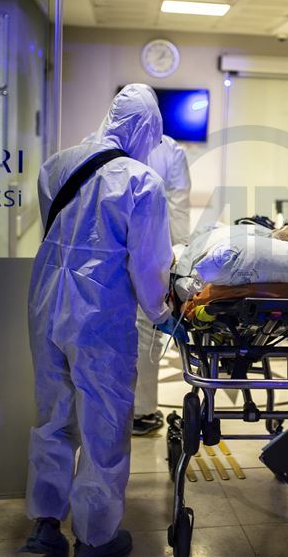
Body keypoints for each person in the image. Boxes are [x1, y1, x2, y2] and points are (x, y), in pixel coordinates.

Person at [20, 84, 182, 557]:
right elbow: (149, 266)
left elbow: (59, 230)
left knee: (53, 416)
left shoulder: (56, 165)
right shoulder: (141, 181)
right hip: (99, 313)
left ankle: (45, 528)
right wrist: (163, 314)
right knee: (104, 423)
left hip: (46, 301)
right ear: (146, 130)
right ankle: (96, 536)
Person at [132, 133, 192, 436]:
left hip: (105, 258)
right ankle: (140, 413)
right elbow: (178, 210)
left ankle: (107, 409)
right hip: (150, 254)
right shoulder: (169, 151)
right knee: (146, 329)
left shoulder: (95, 145)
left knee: (104, 333)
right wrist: (180, 258)